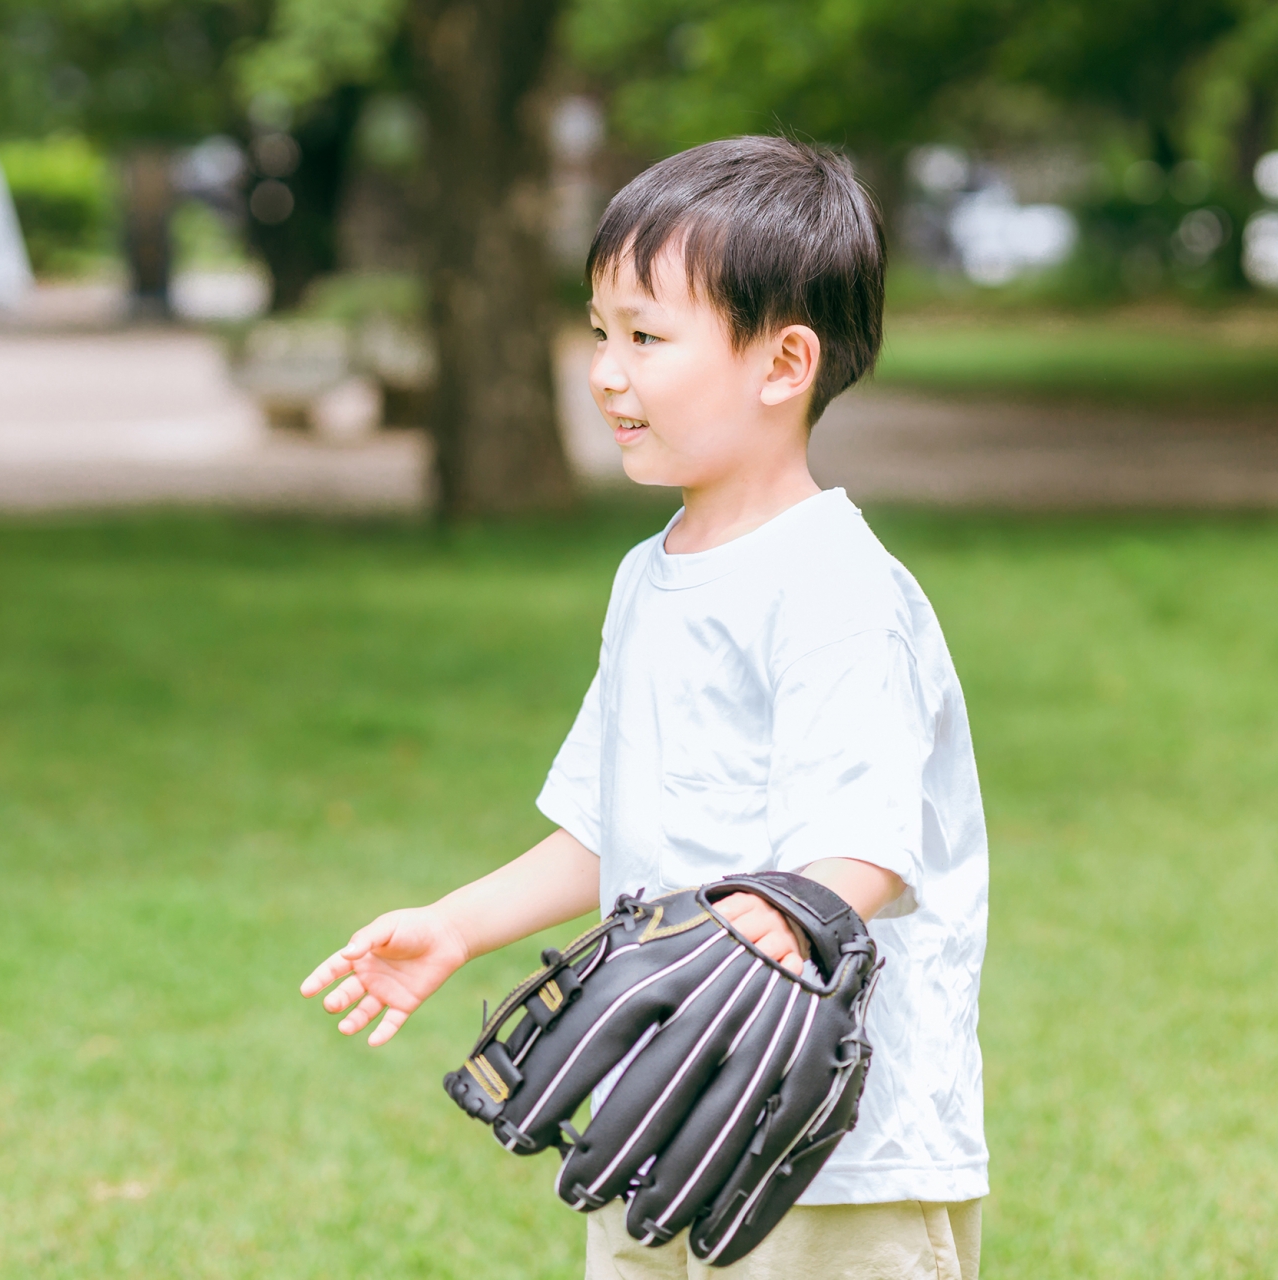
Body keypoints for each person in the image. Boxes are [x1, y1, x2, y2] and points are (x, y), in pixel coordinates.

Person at [299, 135, 989, 1280]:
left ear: (783, 363)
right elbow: (603, 825)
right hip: (669, 1110)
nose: (607, 370)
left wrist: (767, 925)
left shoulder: (834, 587)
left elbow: (862, 845)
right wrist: (459, 922)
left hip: (828, 1143)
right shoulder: (650, 573)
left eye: (648, 337)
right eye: (601, 329)